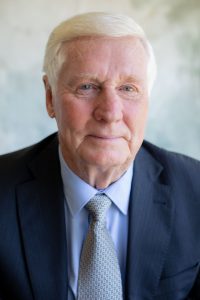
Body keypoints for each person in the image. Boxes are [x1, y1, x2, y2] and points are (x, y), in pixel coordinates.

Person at [0, 12, 200, 300]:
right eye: (87, 87)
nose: (109, 113)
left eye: (128, 88)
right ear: (49, 97)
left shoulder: (194, 191)